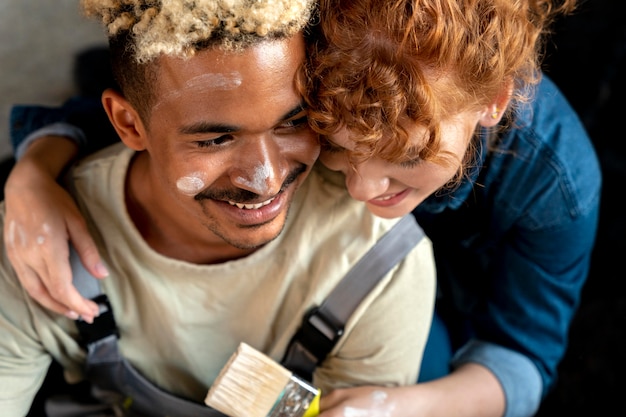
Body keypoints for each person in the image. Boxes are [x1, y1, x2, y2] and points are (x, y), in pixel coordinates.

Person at [4, 0, 601, 416]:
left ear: (494, 103)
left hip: (423, 302)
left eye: (407, 151)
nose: (364, 191)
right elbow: (195, 93)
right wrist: (33, 169)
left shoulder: (555, 184)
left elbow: (524, 357)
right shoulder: (320, 35)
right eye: (335, 140)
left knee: (433, 359)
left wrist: (394, 407)